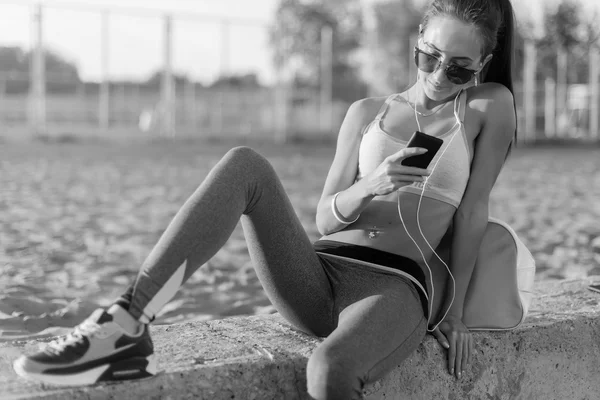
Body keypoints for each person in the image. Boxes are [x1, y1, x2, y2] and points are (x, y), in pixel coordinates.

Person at [13, 0, 518, 398]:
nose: (436, 76)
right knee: (245, 164)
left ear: (483, 65)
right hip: (319, 272)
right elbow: (324, 216)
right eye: (429, 57)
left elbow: (474, 211)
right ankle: (126, 324)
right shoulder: (366, 112)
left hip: (395, 288)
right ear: (417, 44)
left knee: (327, 373)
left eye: (457, 69)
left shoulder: (486, 106)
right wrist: (371, 184)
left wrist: (453, 313)